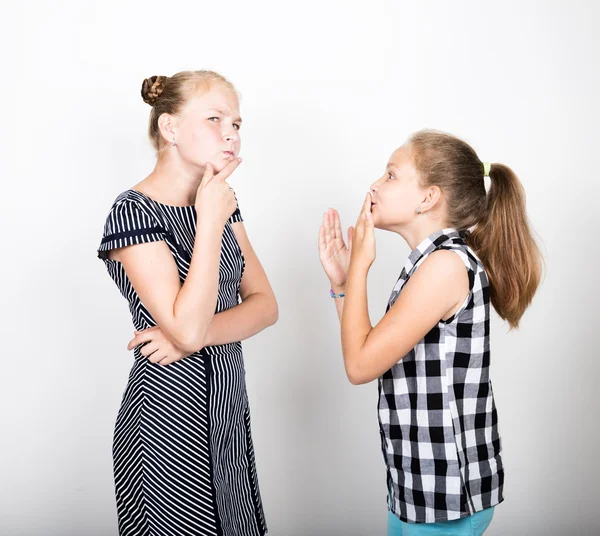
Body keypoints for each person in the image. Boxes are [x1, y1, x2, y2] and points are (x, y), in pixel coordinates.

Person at [318, 129, 542, 535]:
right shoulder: (429, 265)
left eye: (390, 175)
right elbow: (369, 349)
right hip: (418, 490)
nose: (374, 185)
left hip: (447, 497)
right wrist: (343, 283)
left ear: (428, 197)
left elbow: (358, 366)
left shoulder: (444, 267)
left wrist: (360, 267)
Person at [97, 70, 277, 536]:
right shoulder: (133, 211)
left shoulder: (222, 201)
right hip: (166, 422)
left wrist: (189, 339)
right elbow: (188, 325)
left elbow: (265, 305)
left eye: (236, 123)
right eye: (214, 119)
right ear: (170, 128)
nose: (231, 134)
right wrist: (211, 219)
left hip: (226, 413)